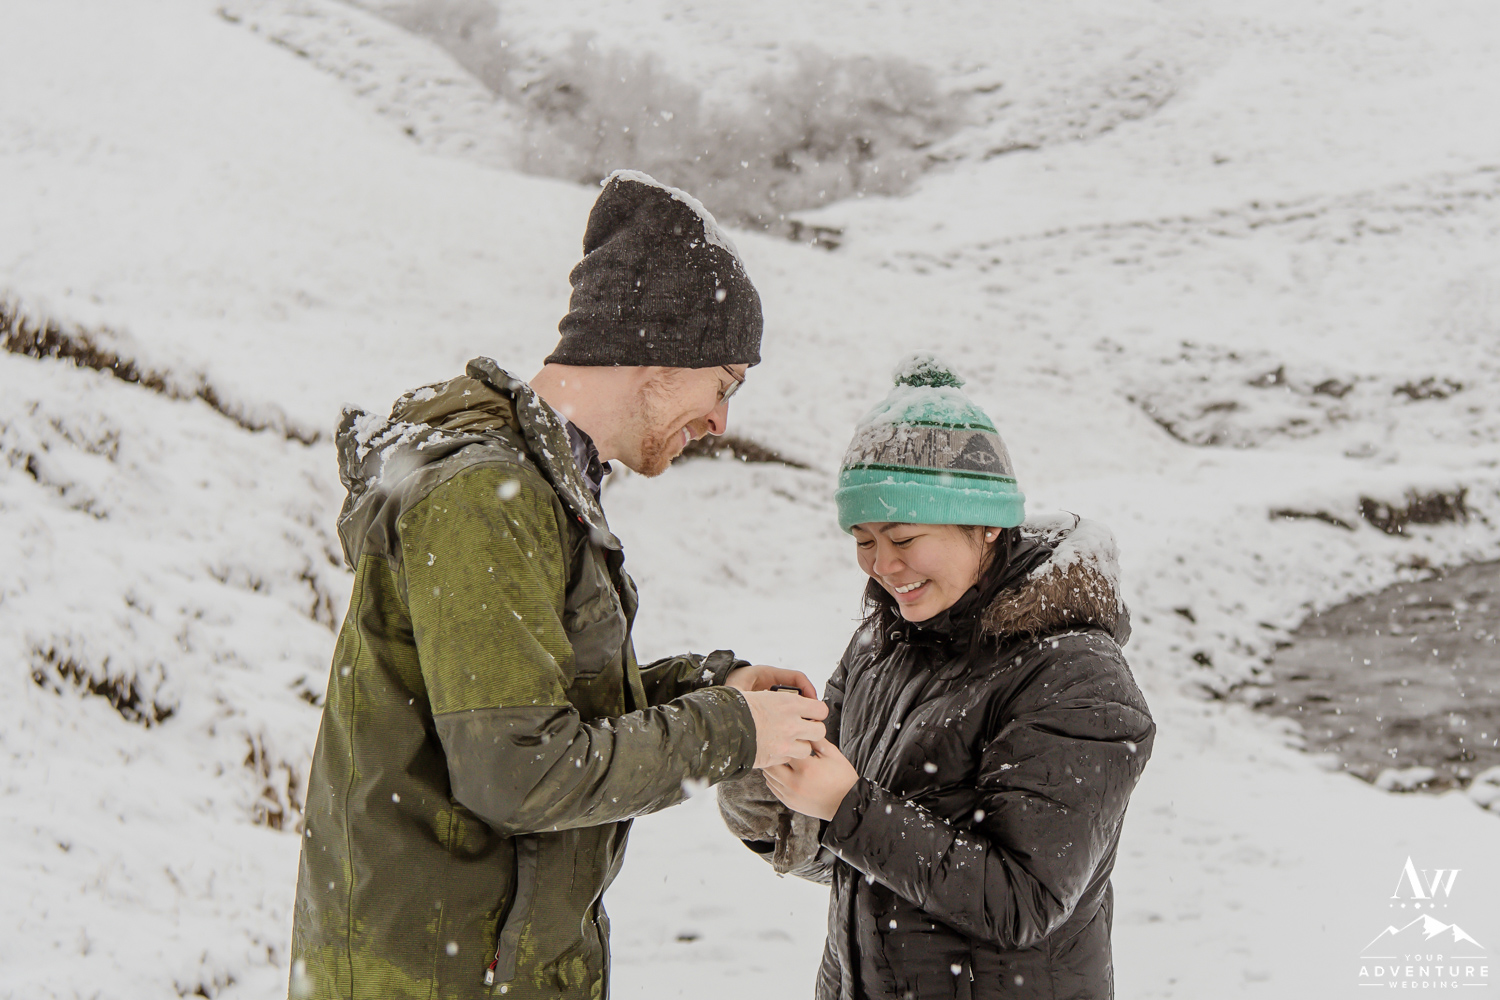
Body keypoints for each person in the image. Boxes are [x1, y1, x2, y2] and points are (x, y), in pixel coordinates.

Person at [289, 170, 827, 1000]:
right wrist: (729, 730)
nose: (723, 422)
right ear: (658, 353)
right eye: (723, 383)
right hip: (435, 979)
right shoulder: (484, 498)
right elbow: (520, 774)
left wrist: (711, 687)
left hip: (477, 966)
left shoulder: (541, 489)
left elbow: (533, 713)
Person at [718, 354, 1155, 1000]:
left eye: (903, 536)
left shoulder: (1074, 676)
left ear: (983, 524)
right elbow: (856, 860)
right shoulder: (881, 646)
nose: (881, 565)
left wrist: (844, 804)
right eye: (863, 538)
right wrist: (771, 791)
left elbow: (1021, 902)